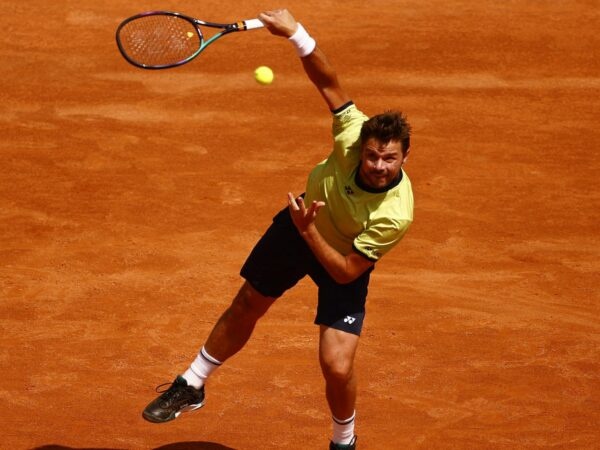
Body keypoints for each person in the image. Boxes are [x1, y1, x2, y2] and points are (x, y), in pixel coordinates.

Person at [142, 9, 413, 450]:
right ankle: (191, 384)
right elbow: (328, 82)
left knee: (337, 365)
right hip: (299, 226)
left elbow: (346, 272)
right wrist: (296, 32)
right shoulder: (350, 136)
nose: (379, 166)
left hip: (338, 251)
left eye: (390, 160)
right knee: (249, 301)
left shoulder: (396, 213)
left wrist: (309, 232)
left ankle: (344, 440)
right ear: (361, 149)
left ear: (403, 158)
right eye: (372, 157)